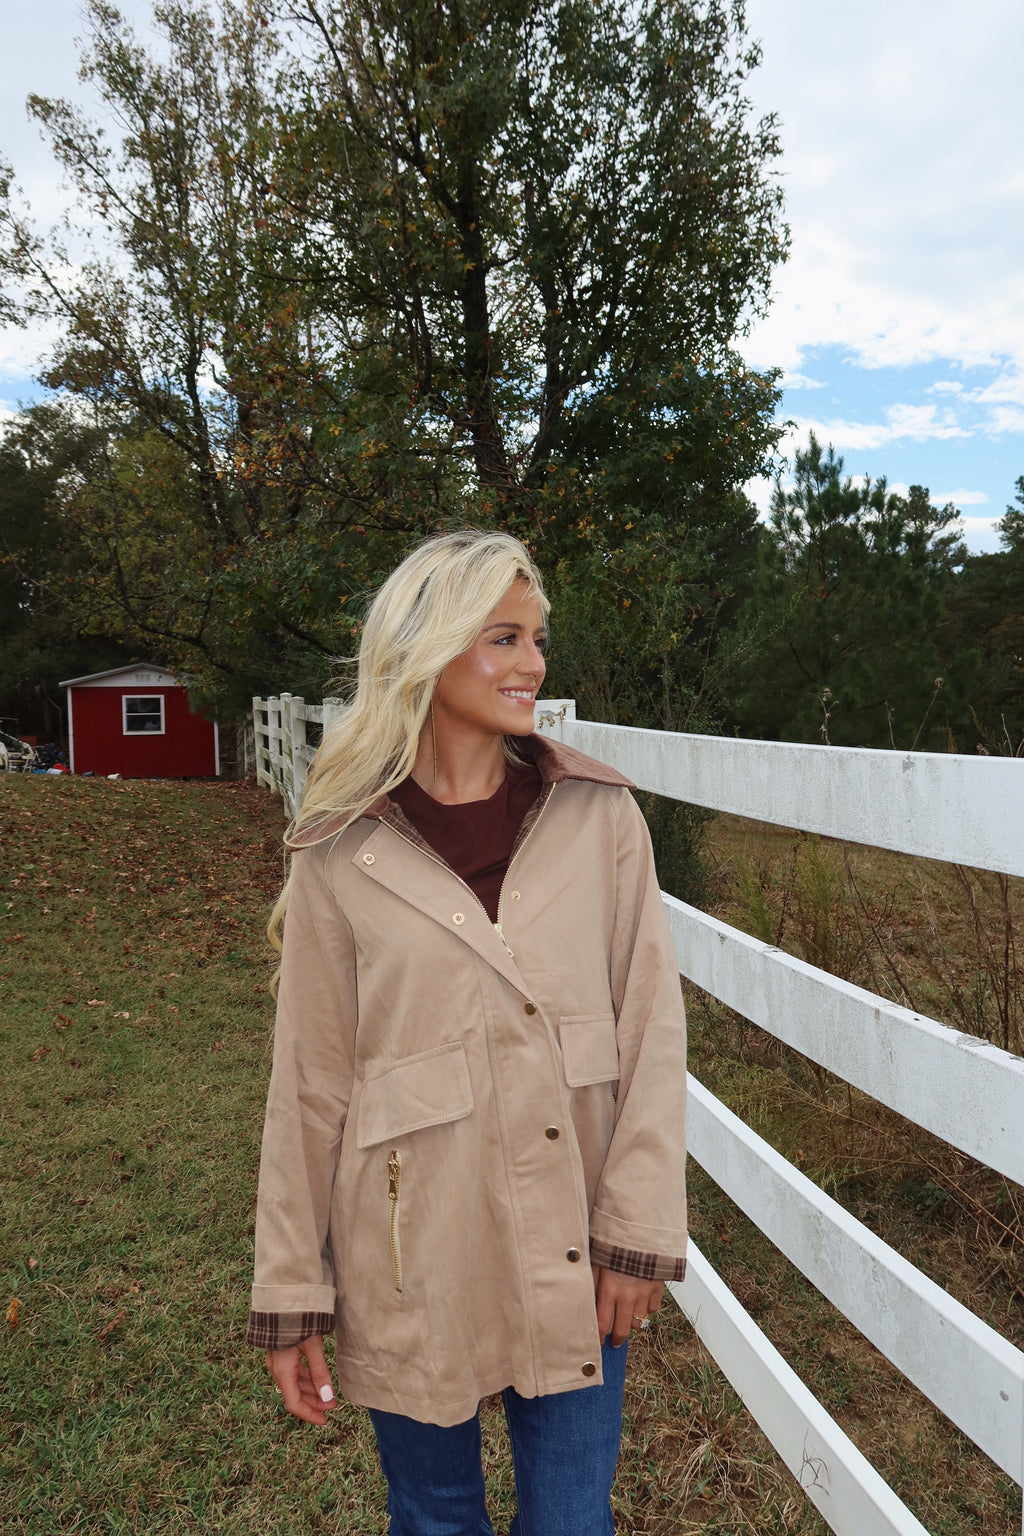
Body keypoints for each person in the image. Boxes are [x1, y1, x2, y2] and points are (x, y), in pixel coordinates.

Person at [247, 529, 687, 1535]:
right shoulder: (341, 850)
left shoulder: (598, 817)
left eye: (537, 639)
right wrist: (291, 1291)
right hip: (412, 1255)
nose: (533, 664)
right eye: (503, 637)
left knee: (570, 1520)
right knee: (434, 1516)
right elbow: (308, 1083)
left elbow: (652, 1031)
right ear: (428, 649)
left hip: (573, 1244)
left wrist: (636, 1233)